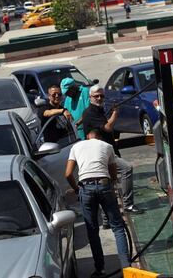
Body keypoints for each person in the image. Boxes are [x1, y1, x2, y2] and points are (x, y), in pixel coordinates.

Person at [65, 128, 130, 278]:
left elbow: (68, 174)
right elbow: (113, 173)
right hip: (104, 184)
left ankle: (100, 269)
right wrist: (111, 185)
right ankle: (126, 268)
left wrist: (77, 189)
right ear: (99, 137)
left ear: (87, 136)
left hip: (85, 188)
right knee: (118, 228)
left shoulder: (76, 146)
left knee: (92, 230)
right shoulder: (107, 146)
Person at [82, 85, 143, 217]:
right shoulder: (90, 112)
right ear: (90, 97)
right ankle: (128, 205)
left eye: (101, 96)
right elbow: (108, 128)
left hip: (108, 151)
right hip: (100, 153)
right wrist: (115, 113)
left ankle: (107, 218)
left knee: (110, 183)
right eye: (96, 96)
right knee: (126, 169)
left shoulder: (98, 110)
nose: (99, 98)